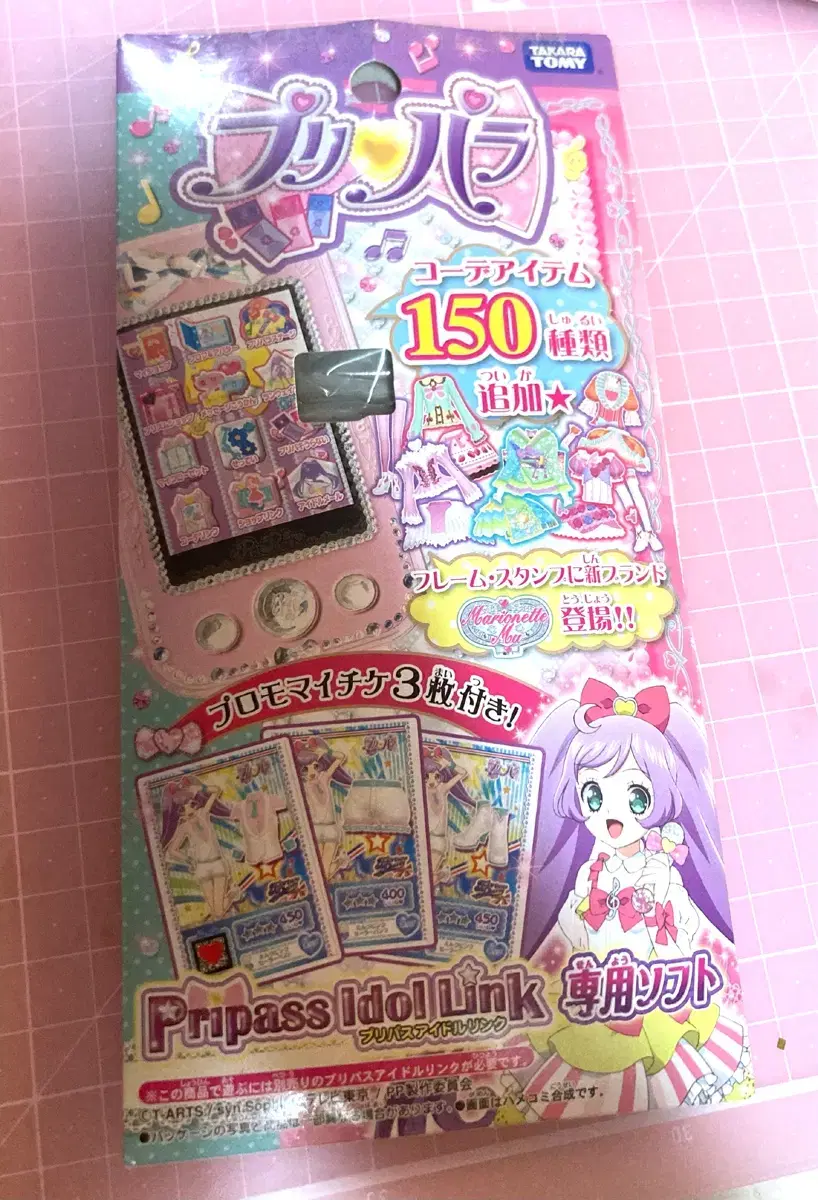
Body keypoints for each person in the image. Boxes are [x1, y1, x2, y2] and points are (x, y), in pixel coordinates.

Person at [518, 678, 749, 1114]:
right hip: (599, 985)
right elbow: (573, 919)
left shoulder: (658, 869)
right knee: (589, 1059)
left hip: (650, 987)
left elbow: (681, 922)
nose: (611, 814)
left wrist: (662, 925)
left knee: (657, 1061)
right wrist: (580, 927)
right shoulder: (593, 870)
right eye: (593, 795)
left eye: (636, 798)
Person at [160, 777, 235, 920]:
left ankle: (231, 895)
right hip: (201, 868)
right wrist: (188, 859)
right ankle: (232, 894)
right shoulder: (183, 828)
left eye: (191, 805)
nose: (189, 810)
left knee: (218, 912)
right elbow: (172, 850)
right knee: (216, 912)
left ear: (195, 805)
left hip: (217, 863)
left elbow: (216, 791)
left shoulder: (204, 813)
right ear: (180, 814)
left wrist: (200, 788)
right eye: (183, 809)